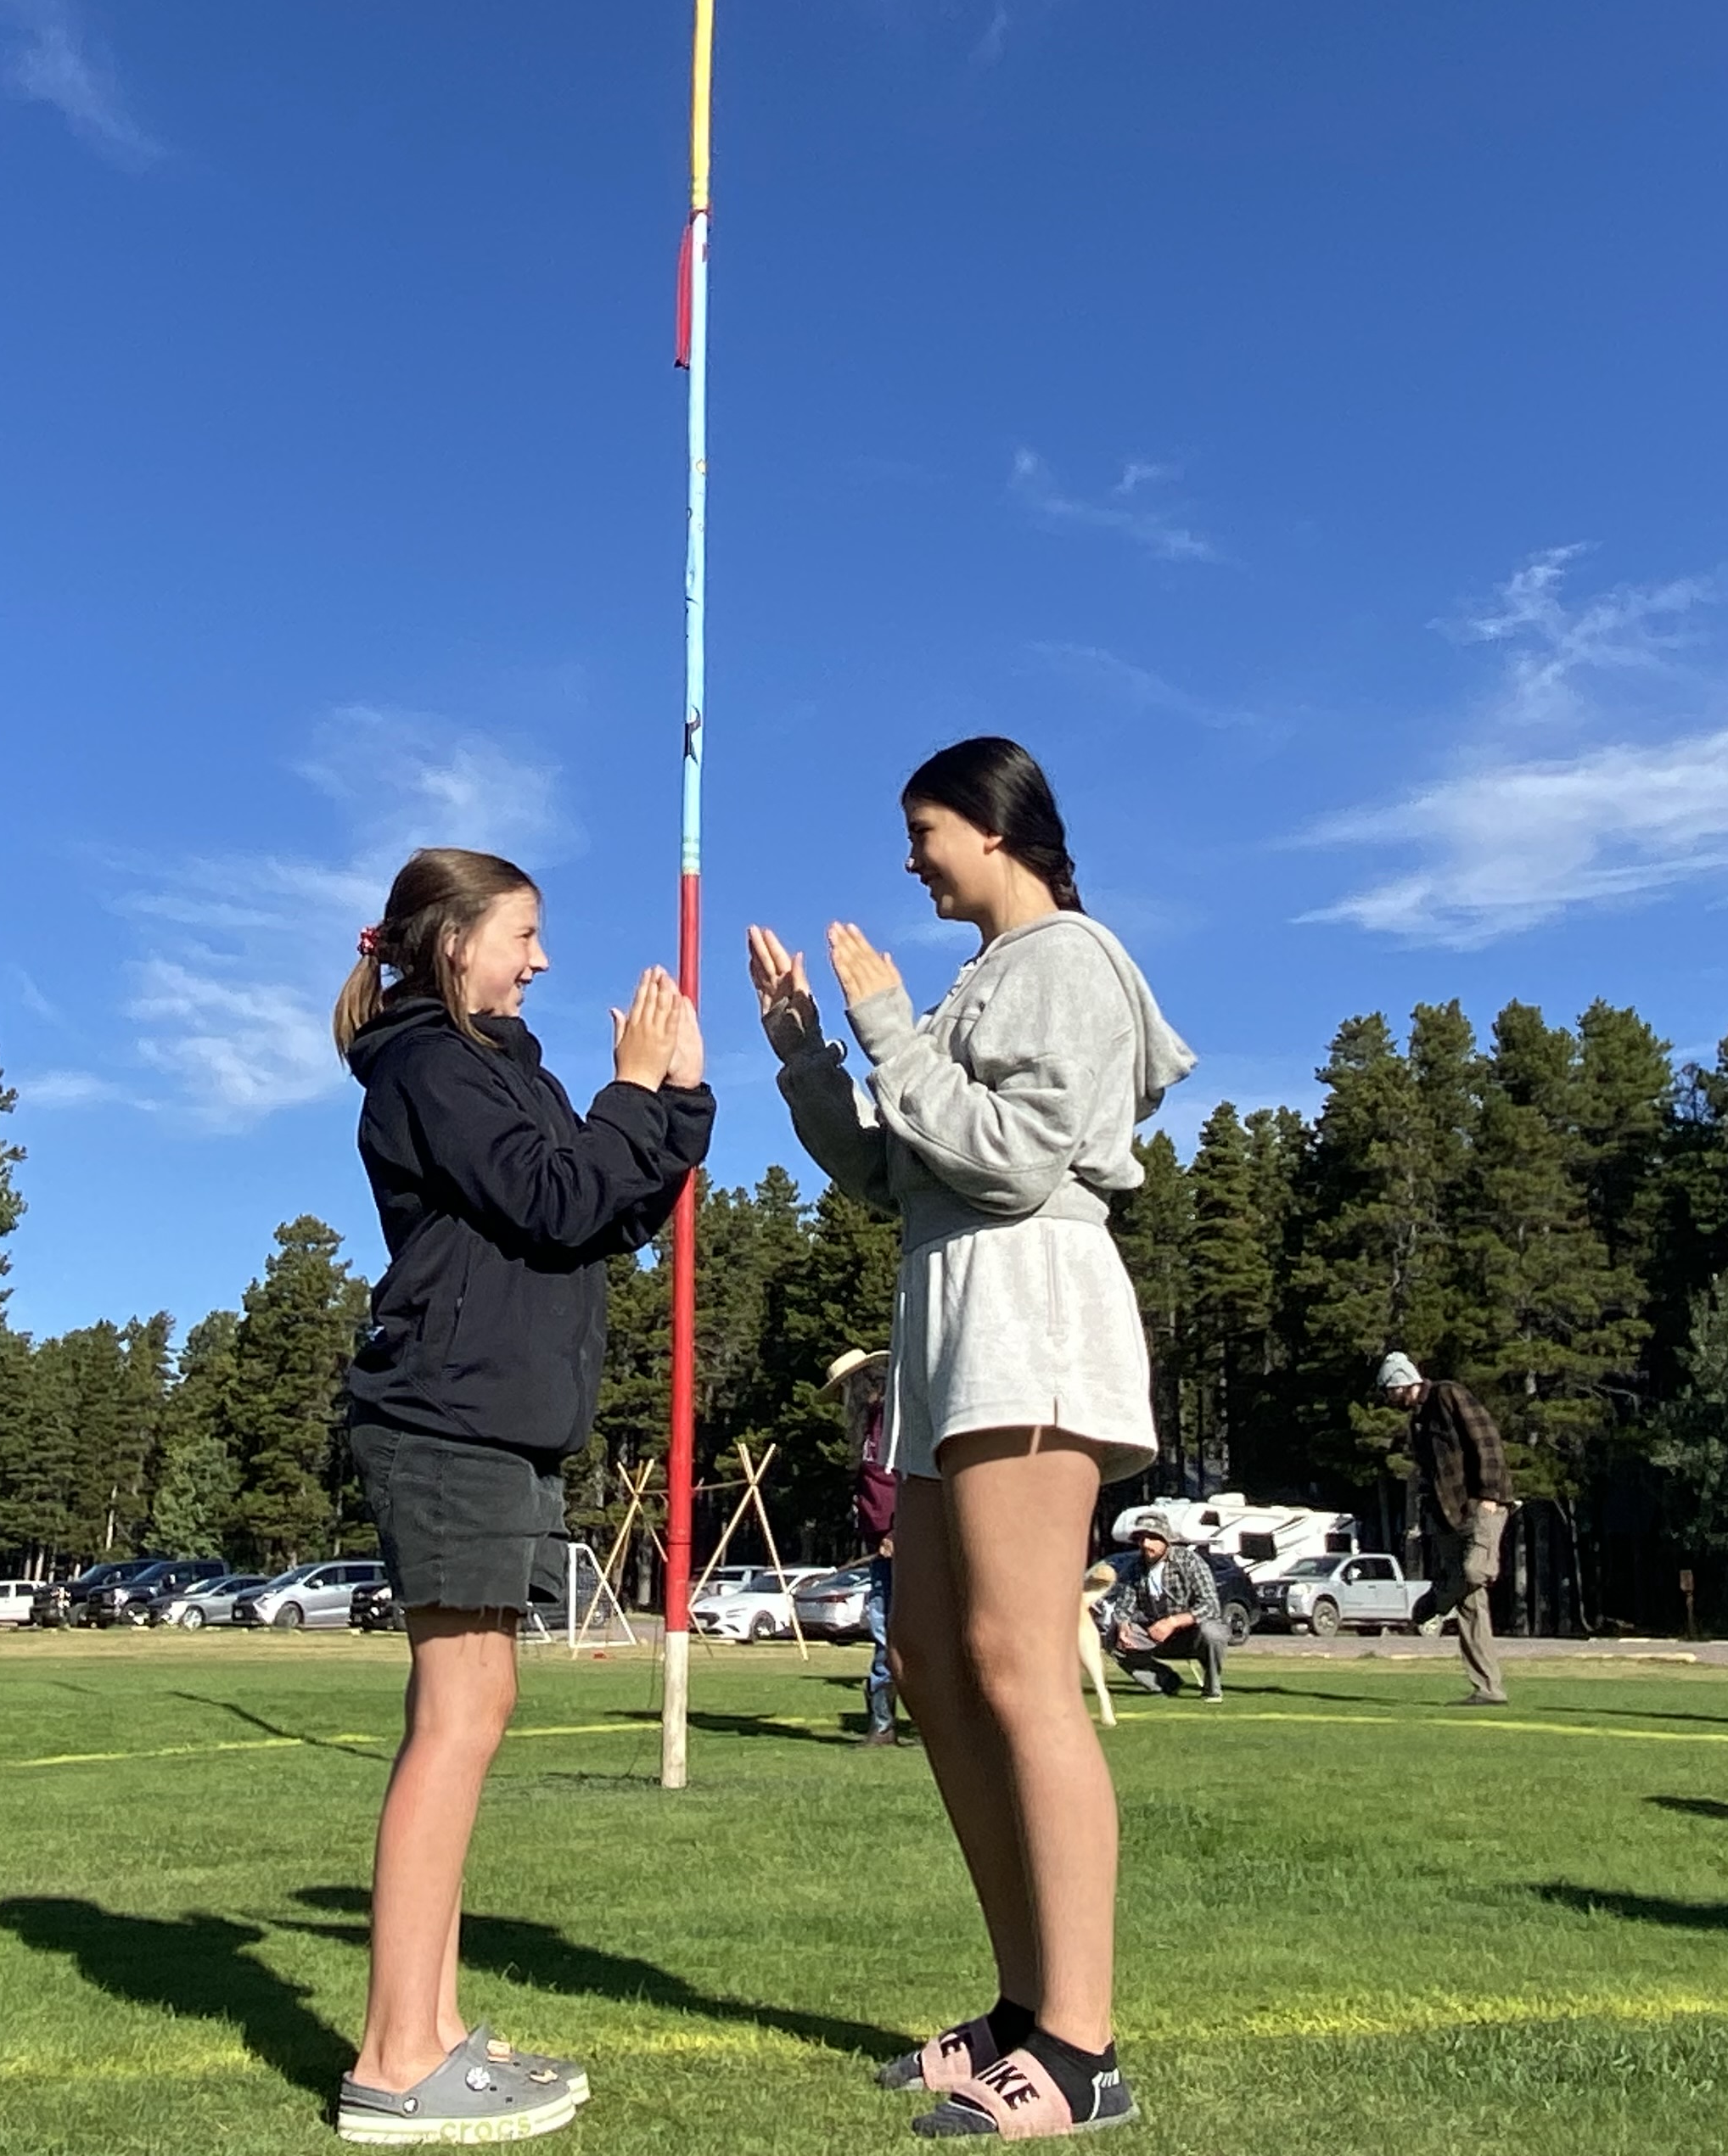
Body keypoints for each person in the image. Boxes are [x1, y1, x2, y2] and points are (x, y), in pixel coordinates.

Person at [757, 735, 1192, 2140]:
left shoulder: (1068, 955)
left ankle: (1081, 2042)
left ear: (994, 827)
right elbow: (896, 1166)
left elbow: (1009, 1161)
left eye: (922, 828)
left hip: (1028, 1307)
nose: (907, 857)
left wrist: (886, 1027)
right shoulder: (975, 982)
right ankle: (1020, 2004)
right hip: (950, 1320)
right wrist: (811, 1051)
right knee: (936, 1664)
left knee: (1016, 1663)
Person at [334, 848, 709, 2145]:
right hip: (444, 1417)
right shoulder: (432, 1065)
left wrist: (680, 1092)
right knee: (458, 1718)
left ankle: (430, 2035)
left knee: (472, 1709)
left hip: (495, 1422)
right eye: (524, 934)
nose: (541, 958)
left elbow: (609, 1211)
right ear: (454, 942)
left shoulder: (509, 1066)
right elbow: (557, 1197)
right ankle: (396, 2058)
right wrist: (628, 1088)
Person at [1377, 1352, 1512, 1706]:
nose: (1388, 1399)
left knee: (1475, 1571)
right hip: (1448, 1516)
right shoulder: (1417, 1422)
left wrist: (1490, 1495)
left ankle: (1435, 1601)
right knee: (1471, 1604)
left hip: (1482, 1506)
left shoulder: (1449, 1395)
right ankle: (1488, 1688)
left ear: (1402, 1382)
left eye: (1389, 1390)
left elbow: (1487, 1441)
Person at [827, 1346, 902, 1744]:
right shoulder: (872, 1423)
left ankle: (888, 1722)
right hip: (880, 1544)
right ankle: (882, 1721)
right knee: (882, 1624)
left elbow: (909, 1480)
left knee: (893, 1627)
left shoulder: (897, 1421)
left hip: (903, 1542)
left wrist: (898, 1531)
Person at [1109, 1514, 1226, 1702]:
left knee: (1213, 1631)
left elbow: (1210, 1606)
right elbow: (1123, 1608)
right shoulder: (1134, 1568)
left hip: (1192, 1635)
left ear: (1166, 1539)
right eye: (1141, 1538)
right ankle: (1165, 1682)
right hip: (1154, 1635)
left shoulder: (1189, 1561)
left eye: (1153, 1537)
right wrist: (1122, 1626)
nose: (1146, 1544)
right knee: (1111, 1635)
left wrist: (1172, 1622)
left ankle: (1212, 1687)